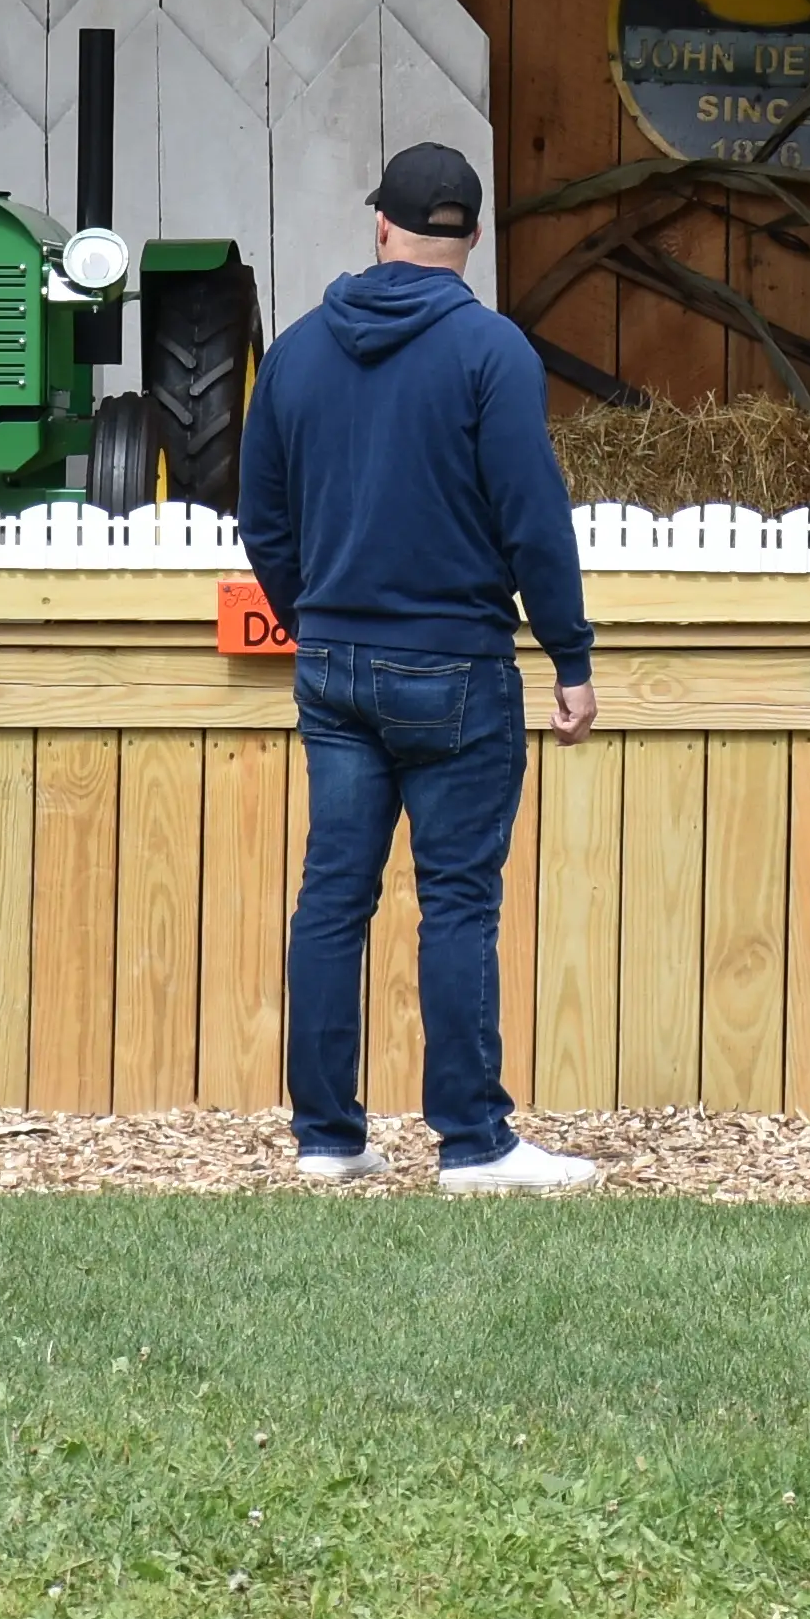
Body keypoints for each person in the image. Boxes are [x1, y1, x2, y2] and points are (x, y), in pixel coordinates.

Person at [233, 141, 602, 1192]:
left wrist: (316, 614)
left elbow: (260, 513)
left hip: (337, 668)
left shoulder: (299, 352)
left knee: (333, 898)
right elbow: (534, 521)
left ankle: (327, 1138)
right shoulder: (493, 353)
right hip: (457, 668)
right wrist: (569, 651)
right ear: (472, 238)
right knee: (456, 903)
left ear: (380, 226)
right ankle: (474, 1142)